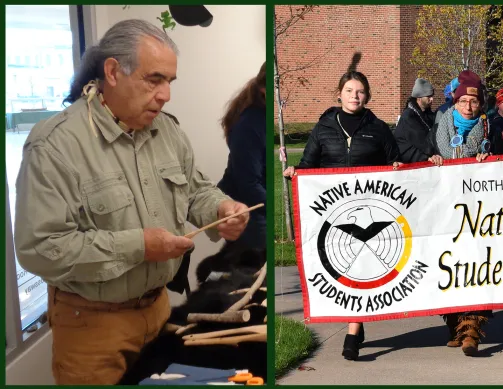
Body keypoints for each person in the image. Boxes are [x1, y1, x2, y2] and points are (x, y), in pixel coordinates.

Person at [13, 20, 250, 385]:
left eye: (169, 81)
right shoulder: (55, 145)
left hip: (158, 309)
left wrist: (220, 210)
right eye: (154, 80)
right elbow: (40, 248)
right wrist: (139, 246)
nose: (165, 95)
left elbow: (196, 190)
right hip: (92, 328)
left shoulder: (166, 129)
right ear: (112, 72)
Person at [283, 71, 403, 360]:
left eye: (360, 91)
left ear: (367, 96)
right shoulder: (324, 127)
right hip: (333, 212)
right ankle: (356, 324)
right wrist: (296, 172)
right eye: (349, 90)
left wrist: (397, 167)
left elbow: (394, 161)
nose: (354, 96)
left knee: (360, 268)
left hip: (368, 210)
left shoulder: (378, 128)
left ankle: (353, 329)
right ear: (339, 93)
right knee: (342, 270)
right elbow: (309, 163)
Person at [434, 70, 493, 356]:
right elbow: (434, 151)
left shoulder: (487, 126)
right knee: (451, 264)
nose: (468, 107)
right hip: (447, 206)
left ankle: (472, 330)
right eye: (463, 101)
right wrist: (433, 158)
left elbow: (494, 154)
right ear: (455, 102)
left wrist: (485, 156)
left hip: (478, 207)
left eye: (474, 101)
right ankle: (455, 324)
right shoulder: (441, 124)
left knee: (477, 264)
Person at [218, 62, 267, 249]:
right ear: (263, 89)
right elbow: (249, 184)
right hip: (247, 211)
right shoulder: (249, 125)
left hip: (258, 204)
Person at [394, 78, 440, 163]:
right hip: (410, 162)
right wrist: (432, 155)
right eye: (428, 96)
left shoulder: (427, 114)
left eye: (432, 96)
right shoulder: (409, 116)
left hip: (421, 158)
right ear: (419, 98)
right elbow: (422, 142)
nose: (432, 99)